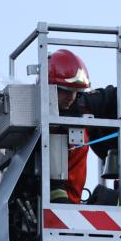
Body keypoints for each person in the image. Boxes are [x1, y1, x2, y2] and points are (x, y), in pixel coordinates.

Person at [46, 49, 92, 203]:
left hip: (72, 205)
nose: (71, 97)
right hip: (58, 204)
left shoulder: (79, 117)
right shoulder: (45, 126)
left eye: (75, 91)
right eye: (65, 90)